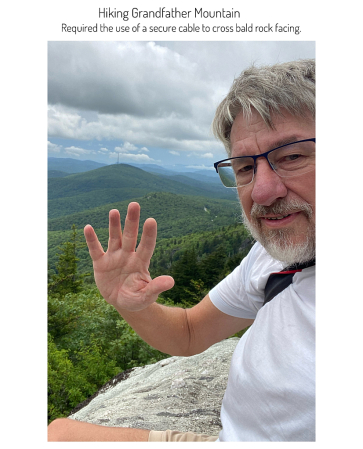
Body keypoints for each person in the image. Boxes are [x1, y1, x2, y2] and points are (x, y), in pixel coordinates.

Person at [48, 59, 316, 442]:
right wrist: (132, 304)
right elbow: (189, 333)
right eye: (243, 168)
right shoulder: (274, 258)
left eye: (291, 156)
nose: (261, 191)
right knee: (56, 433)